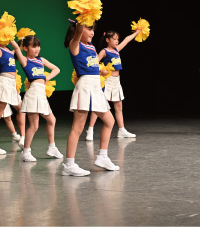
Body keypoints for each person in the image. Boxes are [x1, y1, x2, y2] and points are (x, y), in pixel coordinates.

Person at [62, 19, 120, 176]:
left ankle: (102, 157)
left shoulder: (92, 46)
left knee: (110, 121)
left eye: (93, 29)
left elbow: (91, 65)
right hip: (85, 86)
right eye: (89, 29)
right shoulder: (75, 44)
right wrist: (83, 18)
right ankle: (69, 165)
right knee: (78, 127)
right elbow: (78, 32)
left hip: (95, 87)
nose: (92, 32)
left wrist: (101, 71)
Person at [86, 29, 139, 141]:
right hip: (107, 81)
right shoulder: (104, 51)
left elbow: (127, 40)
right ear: (107, 40)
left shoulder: (117, 50)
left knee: (119, 107)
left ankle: (121, 130)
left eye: (117, 39)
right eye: (114, 39)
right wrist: (101, 71)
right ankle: (90, 130)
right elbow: (94, 64)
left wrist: (137, 32)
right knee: (99, 106)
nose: (116, 41)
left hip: (116, 81)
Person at [17, 35, 62, 162]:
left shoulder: (41, 60)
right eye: (34, 46)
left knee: (52, 120)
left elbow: (56, 69)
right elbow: (16, 48)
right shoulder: (25, 60)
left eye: (38, 46)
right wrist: (16, 42)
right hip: (34, 92)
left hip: (41, 93)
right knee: (34, 125)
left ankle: (52, 147)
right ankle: (26, 152)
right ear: (26, 48)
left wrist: (46, 78)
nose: (37, 49)